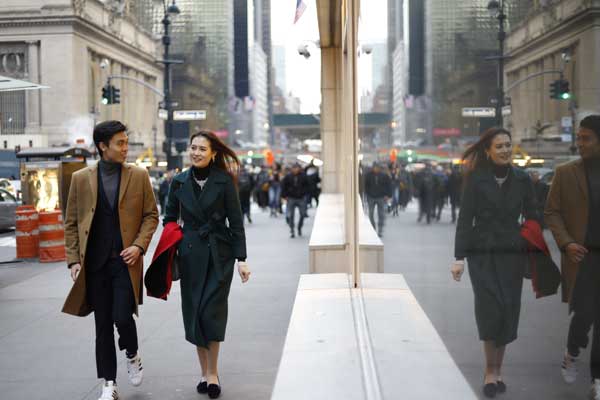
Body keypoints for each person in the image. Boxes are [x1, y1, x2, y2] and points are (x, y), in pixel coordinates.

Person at [62, 120, 159, 400]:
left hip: (125, 262)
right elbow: (71, 223)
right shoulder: (81, 179)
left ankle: (132, 352)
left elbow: (151, 216)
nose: (125, 148)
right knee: (102, 324)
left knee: (122, 317)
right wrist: (73, 260)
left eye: (126, 142)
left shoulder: (138, 175)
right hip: (94, 264)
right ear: (103, 147)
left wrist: (139, 246)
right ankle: (109, 383)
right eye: (120, 143)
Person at [450, 127, 539, 398]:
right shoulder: (476, 179)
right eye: (499, 146)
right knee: (490, 309)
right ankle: (490, 372)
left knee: (508, 310)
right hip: (482, 253)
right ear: (488, 151)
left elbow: (533, 217)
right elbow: (465, 220)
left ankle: (498, 370)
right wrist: (459, 258)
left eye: (507, 145)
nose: (504, 150)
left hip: (512, 253)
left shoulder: (523, 179)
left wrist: (532, 243)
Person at [163, 131, 251, 399]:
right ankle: (204, 372)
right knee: (195, 314)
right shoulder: (177, 182)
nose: (197, 152)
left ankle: (212, 374)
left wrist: (242, 259)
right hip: (189, 256)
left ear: (213, 153)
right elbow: (168, 218)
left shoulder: (224, 182)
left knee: (212, 312)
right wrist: (173, 241)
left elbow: (236, 223)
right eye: (193, 148)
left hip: (218, 255)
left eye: (202, 148)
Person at [545, 115, 600, 399]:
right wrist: (566, 243)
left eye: (586, 138)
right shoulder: (566, 173)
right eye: (578, 137)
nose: (579, 143)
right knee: (585, 314)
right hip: (583, 257)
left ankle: (597, 379)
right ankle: (572, 351)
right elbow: (552, 212)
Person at [281, 163, 309, 238]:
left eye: (297, 168)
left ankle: (299, 227)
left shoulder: (303, 176)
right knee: (291, 215)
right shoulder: (288, 176)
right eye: (294, 168)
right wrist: (284, 196)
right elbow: (283, 186)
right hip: (291, 198)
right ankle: (292, 230)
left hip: (301, 198)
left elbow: (307, 185)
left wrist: (304, 193)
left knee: (303, 214)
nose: (296, 169)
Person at [364, 162, 392, 236]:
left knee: (381, 214)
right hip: (371, 197)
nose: (376, 169)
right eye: (375, 167)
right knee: (370, 214)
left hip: (381, 197)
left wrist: (388, 195)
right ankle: (373, 228)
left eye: (377, 167)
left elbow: (389, 186)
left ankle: (380, 229)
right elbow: (365, 186)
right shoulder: (368, 175)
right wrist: (367, 194)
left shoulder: (384, 175)